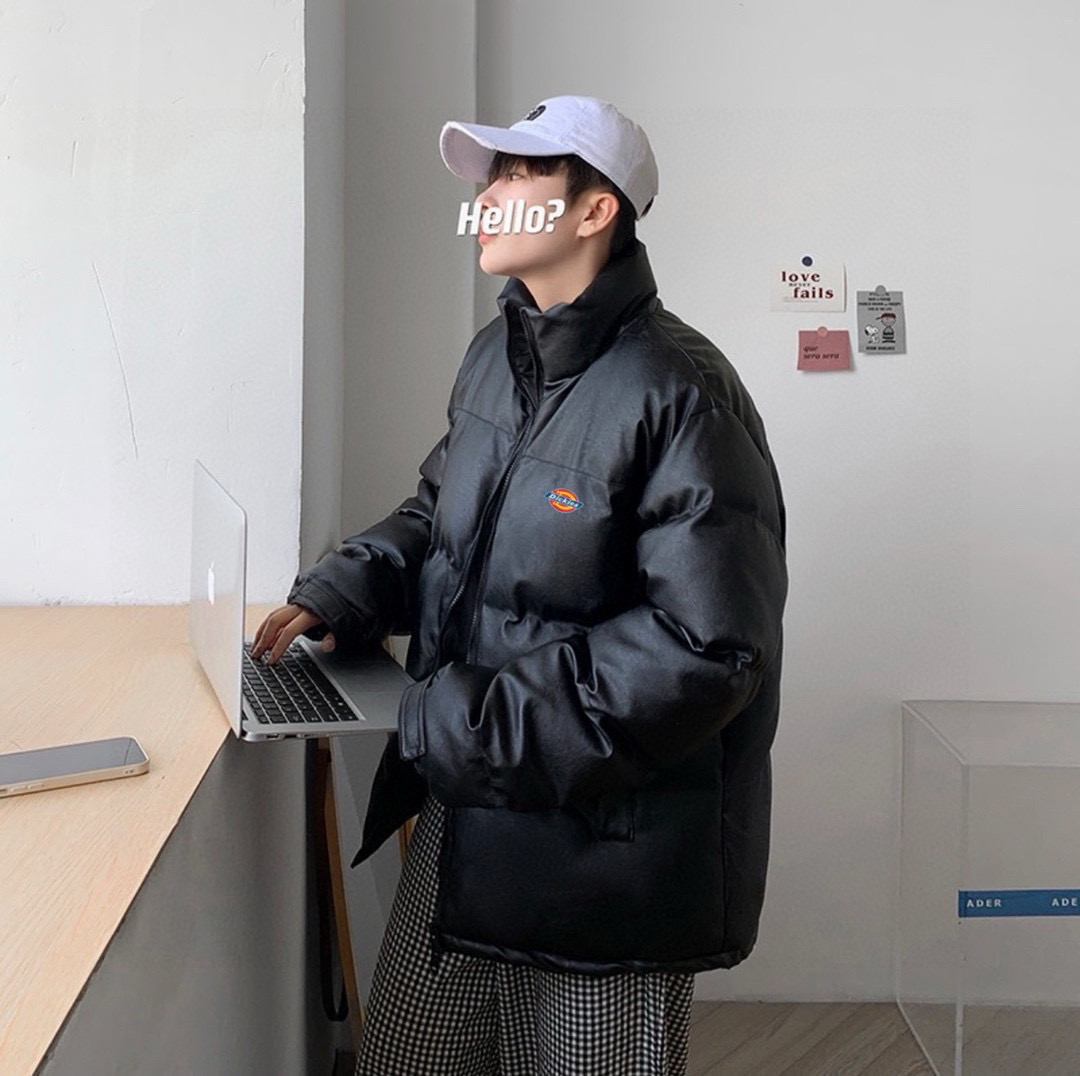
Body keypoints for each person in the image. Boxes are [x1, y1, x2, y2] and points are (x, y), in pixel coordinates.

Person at [253, 95, 787, 1076]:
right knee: (407, 1055)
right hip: (471, 807)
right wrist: (345, 588)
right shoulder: (495, 359)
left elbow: (707, 649)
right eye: (489, 176)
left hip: (610, 855)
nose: (488, 197)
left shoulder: (682, 393)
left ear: (596, 211)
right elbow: (438, 511)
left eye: (518, 174)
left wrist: (465, 722)